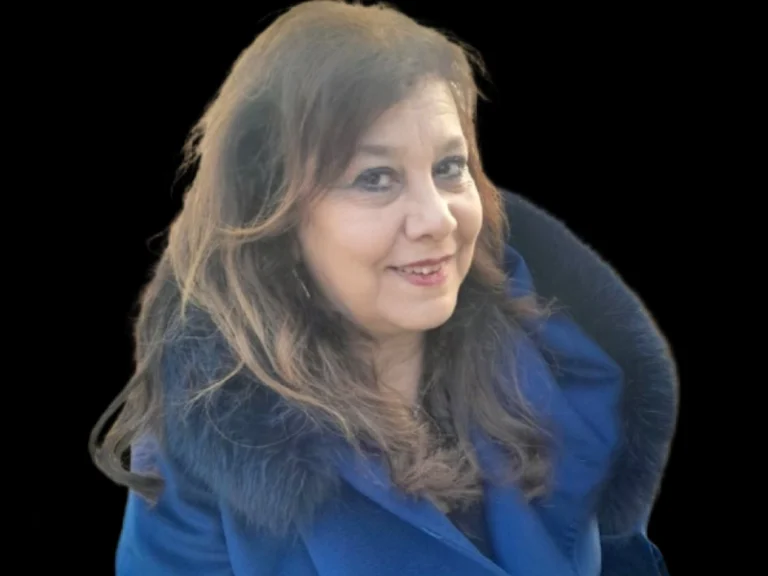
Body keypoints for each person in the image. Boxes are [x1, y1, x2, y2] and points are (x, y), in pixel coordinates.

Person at [89, 1, 677, 574]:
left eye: (449, 168)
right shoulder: (202, 451)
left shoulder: (569, 364)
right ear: (276, 215)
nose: (438, 219)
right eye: (375, 178)